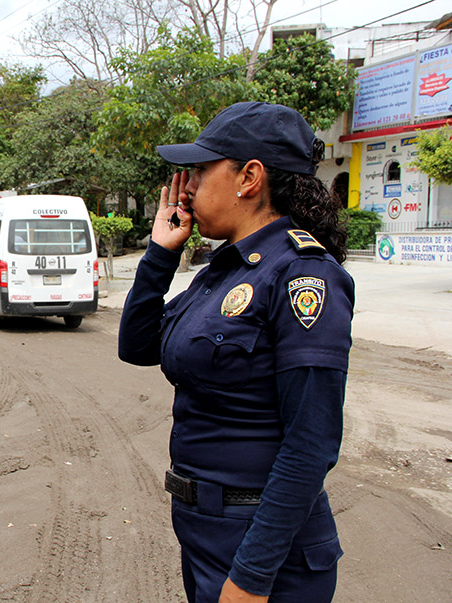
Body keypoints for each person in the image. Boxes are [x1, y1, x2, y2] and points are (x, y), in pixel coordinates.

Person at [118, 102, 354, 602]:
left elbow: (311, 445)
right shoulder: (223, 271)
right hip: (205, 534)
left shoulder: (302, 276)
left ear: (249, 178)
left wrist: (250, 579)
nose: (189, 187)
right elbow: (138, 347)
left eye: (202, 171)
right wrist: (161, 254)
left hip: (264, 552)